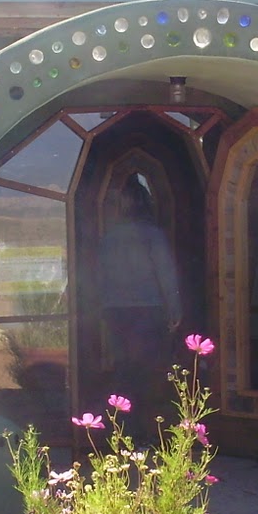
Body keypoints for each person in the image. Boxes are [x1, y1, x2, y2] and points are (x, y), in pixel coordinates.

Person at [97, 177, 181, 418]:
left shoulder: (109, 238)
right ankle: (142, 430)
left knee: (123, 369)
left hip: (116, 312)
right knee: (146, 371)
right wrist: (175, 310)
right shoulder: (153, 235)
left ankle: (122, 428)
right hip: (148, 310)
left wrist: (102, 308)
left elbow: (99, 277)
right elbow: (167, 275)